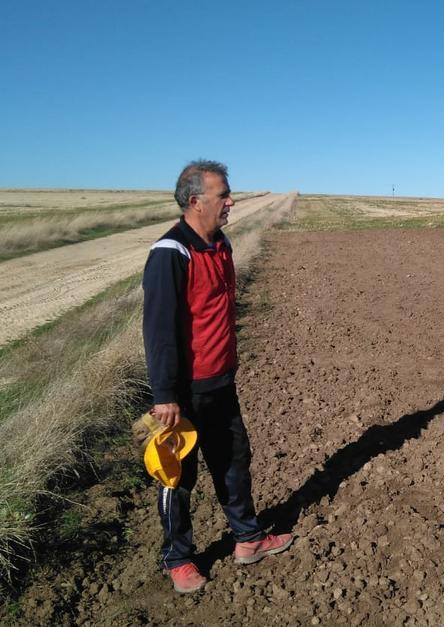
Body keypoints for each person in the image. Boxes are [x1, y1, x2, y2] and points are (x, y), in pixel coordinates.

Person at [142, 159, 292, 593]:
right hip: (182, 393)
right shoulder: (171, 253)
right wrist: (165, 394)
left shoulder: (220, 243)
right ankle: (178, 558)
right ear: (195, 202)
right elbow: (159, 330)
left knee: (233, 462)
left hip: (220, 381)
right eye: (222, 194)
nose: (231, 201)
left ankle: (248, 539)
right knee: (177, 476)